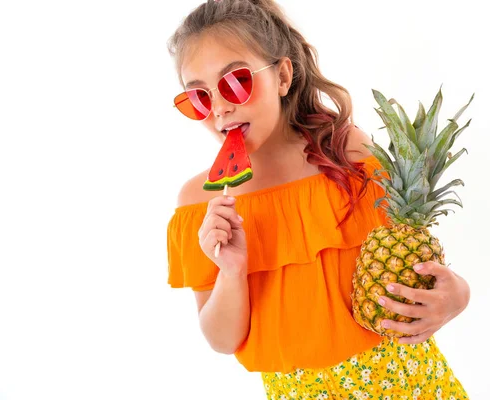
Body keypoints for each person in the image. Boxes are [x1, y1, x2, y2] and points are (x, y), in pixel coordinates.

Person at [165, 0, 471, 398]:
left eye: (236, 82)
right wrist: (232, 271)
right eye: (200, 97)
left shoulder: (348, 153)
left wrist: (457, 295)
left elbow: (413, 259)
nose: (220, 107)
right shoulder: (197, 205)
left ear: (282, 76)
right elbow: (222, 340)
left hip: (410, 384)